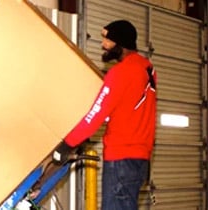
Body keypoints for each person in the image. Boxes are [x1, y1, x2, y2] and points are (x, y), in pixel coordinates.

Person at [53, 20, 156, 210]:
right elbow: (128, 109)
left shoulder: (121, 73)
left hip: (121, 160)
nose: (103, 45)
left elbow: (96, 114)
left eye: (107, 40)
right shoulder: (148, 70)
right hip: (140, 159)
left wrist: (67, 145)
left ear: (120, 43)